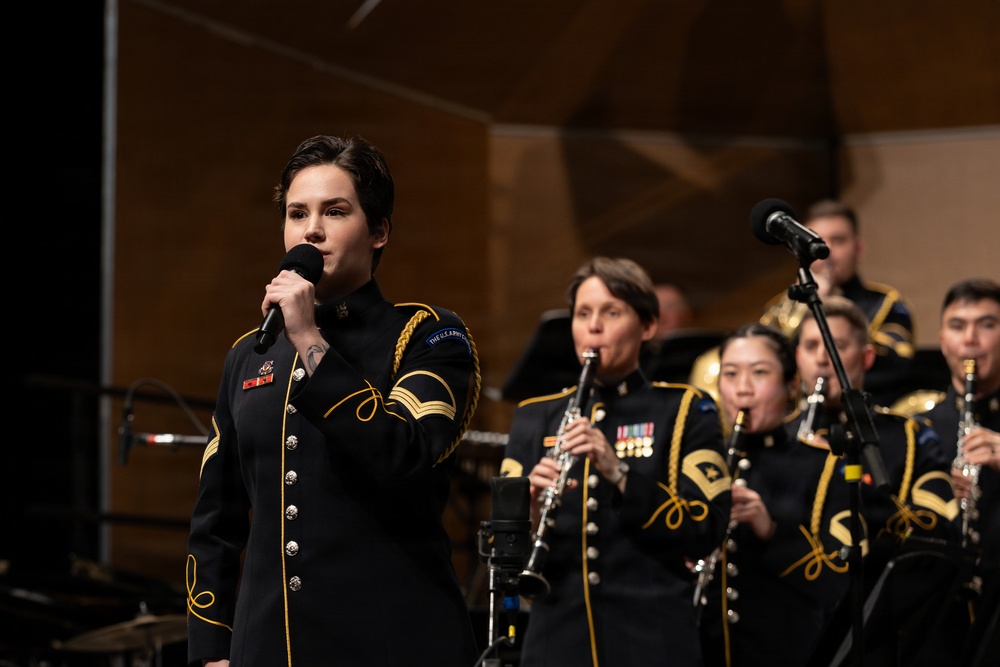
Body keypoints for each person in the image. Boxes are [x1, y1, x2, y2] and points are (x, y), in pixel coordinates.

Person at [184, 135, 481, 667]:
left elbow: (401, 456)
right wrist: (210, 645)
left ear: (379, 231)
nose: (312, 229)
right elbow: (216, 518)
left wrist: (310, 340)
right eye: (297, 213)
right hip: (270, 646)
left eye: (335, 211)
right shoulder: (246, 356)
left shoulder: (428, 336)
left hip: (392, 642)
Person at [500, 257, 730, 667]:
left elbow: (706, 527)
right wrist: (529, 511)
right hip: (556, 641)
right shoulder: (535, 415)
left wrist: (619, 473)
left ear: (647, 326)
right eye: (583, 313)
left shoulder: (685, 410)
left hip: (652, 639)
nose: (594, 326)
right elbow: (502, 554)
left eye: (612, 312)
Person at [788, 297, 957, 663]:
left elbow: (936, 531)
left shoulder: (908, 437)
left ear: (865, 357)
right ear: (796, 356)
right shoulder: (779, 438)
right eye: (811, 346)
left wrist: (845, 479)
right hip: (789, 626)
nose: (821, 358)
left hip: (873, 628)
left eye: (837, 346)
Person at [697, 322, 833, 667]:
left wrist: (769, 529)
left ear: (791, 386)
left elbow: (837, 580)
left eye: (759, 373)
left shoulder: (822, 466)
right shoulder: (701, 462)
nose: (742, 389)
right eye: (730, 374)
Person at [759, 199, 915, 405]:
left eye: (838, 240)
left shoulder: (886, 303)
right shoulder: (783, 304)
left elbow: (898, 366)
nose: (826, 251)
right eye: (815, 240)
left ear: (858, 249)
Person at [918, 278, 1000, 666]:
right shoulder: (917, 429)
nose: (971, 338)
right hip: (942, 619)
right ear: (941, 338)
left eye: (986, 324)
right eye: (957, 325)